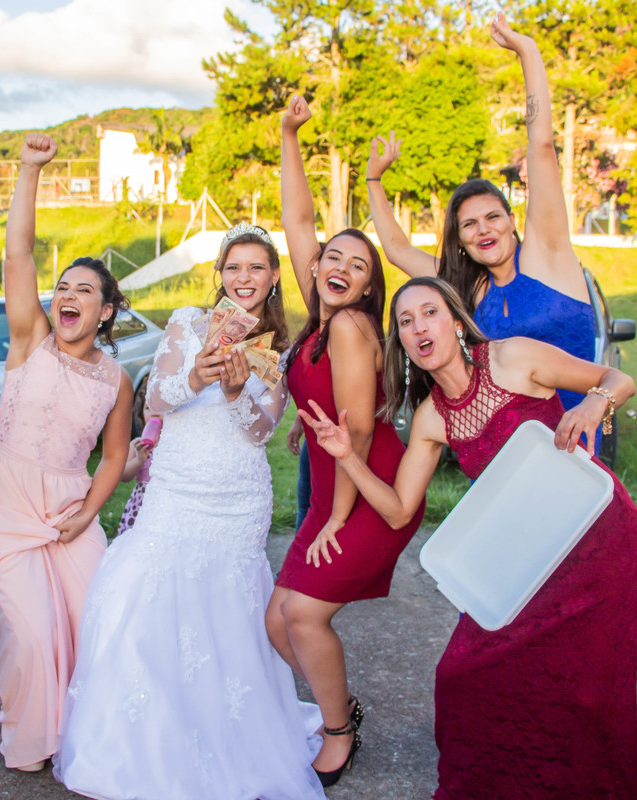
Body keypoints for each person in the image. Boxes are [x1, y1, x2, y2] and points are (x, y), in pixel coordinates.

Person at [299, 275, 637, 800]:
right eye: (406, 321)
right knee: (463, 676)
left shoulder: (513, 358)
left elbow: (616, 378)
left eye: (430, 312)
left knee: (587, 696)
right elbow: (398, 511)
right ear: (403, 345)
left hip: (599, 540)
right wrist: (347, 456)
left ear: (456, 322)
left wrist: (592, 404)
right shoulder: (431, 419)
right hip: (526, 558)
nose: (420, 327)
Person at [55, 223, 327, 800]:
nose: (244, 278)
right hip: (177, 487)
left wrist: (234, 392)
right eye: (234, 267)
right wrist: (197, 375)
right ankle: (142, 744)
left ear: (273, 277)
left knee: (226, 618)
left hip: (237, 497)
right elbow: (155, 400)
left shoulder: (277, 349)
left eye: (256, 268)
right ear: (220, 275)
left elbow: (261, 431)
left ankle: (227, 739)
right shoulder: (187, 322)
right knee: (138, 595)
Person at [266, 95, 424, 788]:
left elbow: (357, 430)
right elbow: (298, 220)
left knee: (302, 615)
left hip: (370, 486)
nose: (339, 267)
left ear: (366, 288)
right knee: (277, 624)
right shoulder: (319, 314)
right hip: (335, 480)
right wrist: (288, 134)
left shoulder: (353, 327)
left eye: (357, 266)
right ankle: (339, 705)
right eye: (333, 257)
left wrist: (331, 518)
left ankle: (338, 731)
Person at [0, 134, 134, 773]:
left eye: (84, 290)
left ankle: (88, 734)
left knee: (100, 619)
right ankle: (33, 740)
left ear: (106, 310)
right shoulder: (30, 340)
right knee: (33, 634)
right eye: (62, 286)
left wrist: (88, 513)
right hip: (7, 501)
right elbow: (18, 253)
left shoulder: (116, 378)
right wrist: (30, 170)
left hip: (71, 507)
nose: (67, 295)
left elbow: (113, 458)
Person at [366, 14, 596, 418]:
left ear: (512, 220)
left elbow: (541, 146)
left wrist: (526, 50)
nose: (483, 230)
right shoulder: (471, 288)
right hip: (505, 445)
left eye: (492, 217)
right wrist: (374, 179)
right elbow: (398, 250)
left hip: (574, 438)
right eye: (469, 225)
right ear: (461, 240)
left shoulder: (549, 255)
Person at [114, 413, 159, 536]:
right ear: (141, 413)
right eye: (147, 408)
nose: (154, 412)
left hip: (163, 500)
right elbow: (124, 476)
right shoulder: (136, 444)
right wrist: (139, 459)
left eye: (159, 409)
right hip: (141, 502)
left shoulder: (172, 445)